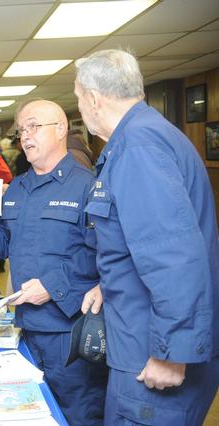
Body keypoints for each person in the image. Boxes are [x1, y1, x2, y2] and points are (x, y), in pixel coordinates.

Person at [75, 49, 219, 425]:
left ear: (94, 98)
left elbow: (172, 256)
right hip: (140, 339)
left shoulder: (138, 148)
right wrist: (110, 283)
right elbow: (142, 240)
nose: (80, 107)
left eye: (78, 98)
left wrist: (172, 352)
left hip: (152, 354)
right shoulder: (145, 135)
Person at [0, 99, 107, 425]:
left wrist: (52, 286)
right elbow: (6, 244)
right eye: (22, 129)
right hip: (26, 330)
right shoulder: (17, 188)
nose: (25, 136)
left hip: (71, 334)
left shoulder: (88, 186)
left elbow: (103, 255)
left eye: (34, 127)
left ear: (60, 129)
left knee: (77, 417)